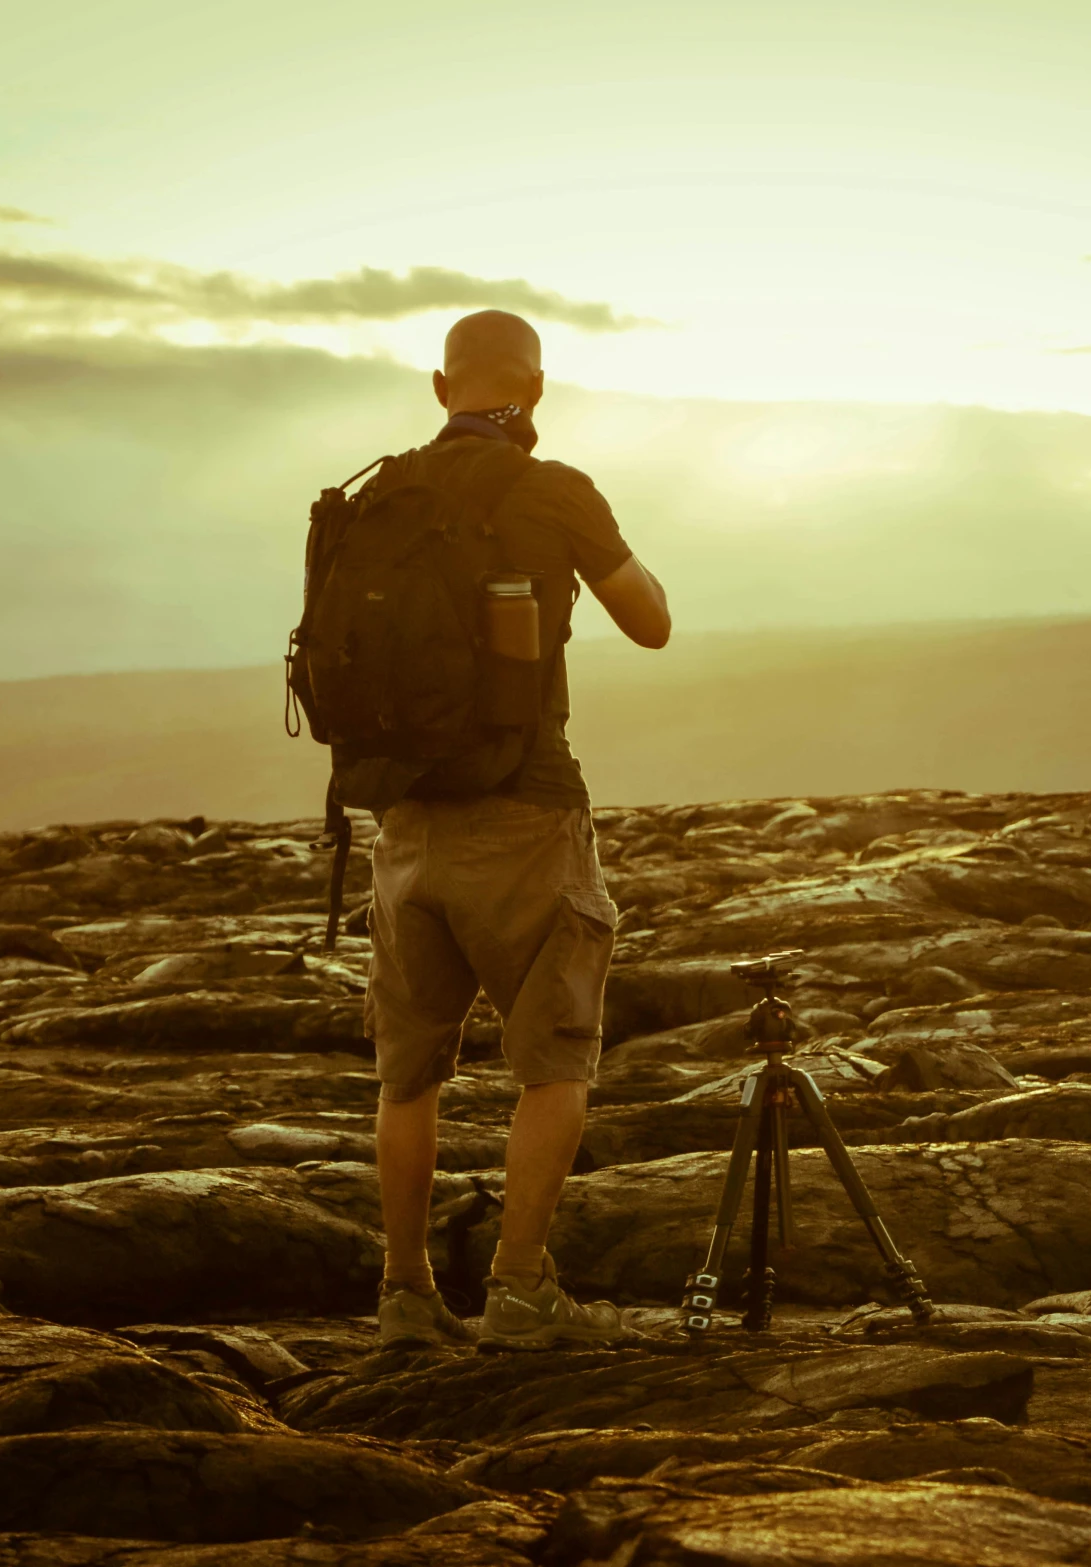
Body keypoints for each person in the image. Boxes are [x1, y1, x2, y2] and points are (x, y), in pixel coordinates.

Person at [363, 309, 671, 1351]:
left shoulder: (380, 494)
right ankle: (521, 1288)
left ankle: (404, 1292)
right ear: (533, 393)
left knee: (408, 1074)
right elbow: (651, 620)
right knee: (555, 1061)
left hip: (402, 821)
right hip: (525, 813)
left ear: (438, 385)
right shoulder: (554, 490)